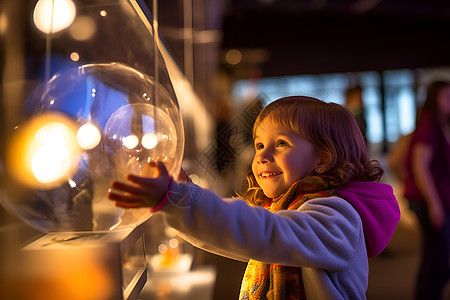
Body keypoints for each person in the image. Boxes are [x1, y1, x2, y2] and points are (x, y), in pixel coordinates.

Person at [108, 96, 400, 299]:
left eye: (281, 143)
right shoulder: (286, 209)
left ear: (322, 158)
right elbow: (238, 236)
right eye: (260, 144)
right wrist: (184, 196)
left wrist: (178, 199)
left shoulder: (337, 216)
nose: (262, 155)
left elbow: (263, 232)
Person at [404, 80, 450, 300]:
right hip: (427, 200)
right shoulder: (428, 127)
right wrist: (435, 205)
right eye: (447, 98)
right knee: (437, 257)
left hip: (433, 199)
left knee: (435, 256)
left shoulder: (437, 126)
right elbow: (420, 167)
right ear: (435, 100)